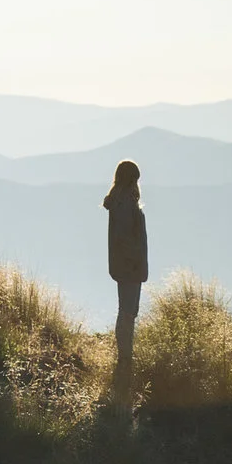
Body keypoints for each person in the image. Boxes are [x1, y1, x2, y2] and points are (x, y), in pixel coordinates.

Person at [103, 159, 147, 406]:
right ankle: (125, 358)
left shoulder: (120, 203)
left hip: (125, 266)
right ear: (130, 179)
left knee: (127, 311)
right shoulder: (125, 204)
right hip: (129, 267)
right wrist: (135, 262)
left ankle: (124, 356)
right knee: (128, 312)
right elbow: (125, 239)